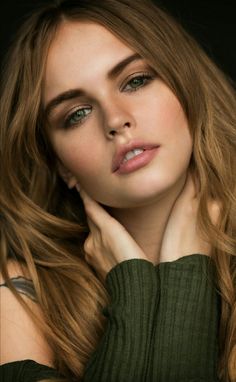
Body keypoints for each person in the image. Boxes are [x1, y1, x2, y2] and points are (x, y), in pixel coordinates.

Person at [0, 0, 235, 381]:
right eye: (76, 113)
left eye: (136, 80)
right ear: (60, 164)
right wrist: (136, 289)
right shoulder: (19, 296)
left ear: (187, 86)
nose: (115, 119)